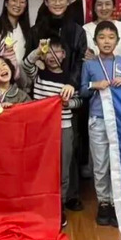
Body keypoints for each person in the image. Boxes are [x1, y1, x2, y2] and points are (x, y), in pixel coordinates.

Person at [23, 34, 82, 228]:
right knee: (40, 167)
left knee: (63, 168)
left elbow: (79, 101)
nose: (52, 55)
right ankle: (40, 203)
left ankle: (59, 205)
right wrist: (38, 50)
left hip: (64, 127)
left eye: (57, 51)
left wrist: (68, 103)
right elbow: (26, 65)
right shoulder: (38, 74)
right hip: (40, 130)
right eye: (49, 51)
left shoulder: (69, 80)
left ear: (64, 54)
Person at [80, 21, 121, 227]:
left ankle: (117, 203)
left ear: (117, 41)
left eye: (111, 37)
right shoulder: (89, 65)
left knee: (117, 163)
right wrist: (94, 85)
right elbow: (82, 91)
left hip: (119, 120)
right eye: (102, 37)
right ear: (95, 41)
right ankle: (103, 202)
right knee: (100, 164)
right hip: (98, 119)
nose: (106, 41)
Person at [26, 0, 87, 87]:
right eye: (53, 0)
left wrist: (72, 83)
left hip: (69, 89)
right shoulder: (35, 31)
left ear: (68, 1)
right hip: (42, 88)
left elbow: (80, 61)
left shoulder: (78, 31)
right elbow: (28, 60)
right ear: (46, 2)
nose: (57, 3)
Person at [83, 0, 121, 71]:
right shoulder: (86, 29)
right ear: (94, 8)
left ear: (114, 7)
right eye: (99, 4)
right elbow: (87, 58)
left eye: (107, 4)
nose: (103, 8)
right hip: (96, 76)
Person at [0, 0, 31, 64]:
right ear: (6, 3)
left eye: (22, 2)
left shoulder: (28, 31)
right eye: (14, 0)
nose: (18, 5)